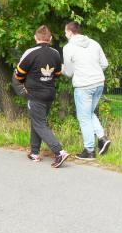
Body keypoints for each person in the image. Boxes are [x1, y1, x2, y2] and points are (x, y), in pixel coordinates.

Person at [15, 25, 69, 168]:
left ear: (35, 38)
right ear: (50, 39)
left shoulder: (30, 52)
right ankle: (34, 153)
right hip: (49, 93)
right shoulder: (55, 53)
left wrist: (24, 82)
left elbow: (19, 73)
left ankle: (59, 152)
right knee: (38, 121)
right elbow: (58, 73)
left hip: (34, 94)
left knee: (39, 123)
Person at [62, 21, 111, 160]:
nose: (65, 34)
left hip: (83, 85)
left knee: (84, 118)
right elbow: (105, 64)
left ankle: (89, 151)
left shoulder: (68, 47)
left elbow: (69, 72)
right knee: (89, 113)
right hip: (99, 83)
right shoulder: (94, 43)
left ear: (70, 32)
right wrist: (93, 71)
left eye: (65, 32)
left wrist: (62, 69)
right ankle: (102, 138)